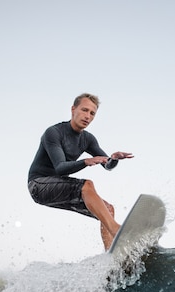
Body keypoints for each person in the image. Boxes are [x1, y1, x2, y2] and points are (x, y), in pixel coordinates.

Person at [27, 93, 133, 250]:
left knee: (108, 209)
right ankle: (117, 230)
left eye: (92, 113)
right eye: (84, 110)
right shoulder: (54, 132)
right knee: (87, 185)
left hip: (59, 188)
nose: (88, 116)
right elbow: (60, 168)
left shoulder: (88, 139)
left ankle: (111, 256)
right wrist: (85, 161)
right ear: (73, 109)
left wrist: (114, 159)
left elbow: (106, 165)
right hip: (38, 185)